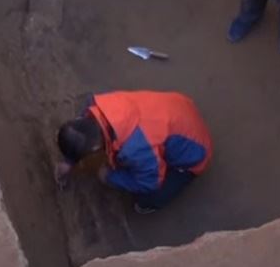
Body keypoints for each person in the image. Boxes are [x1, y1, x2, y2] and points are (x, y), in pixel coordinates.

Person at [55, 91, 213, 214]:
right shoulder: (99, 104)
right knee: (123, 161)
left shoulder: (136, 149)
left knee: (144, 200)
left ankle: (152, 202)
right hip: (178, 107)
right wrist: (69, 161)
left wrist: (111, 178)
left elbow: (151, 182)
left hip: (195, 153)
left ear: (95, 149)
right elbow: (81, 128)